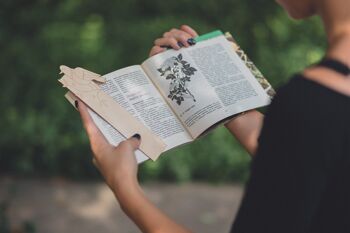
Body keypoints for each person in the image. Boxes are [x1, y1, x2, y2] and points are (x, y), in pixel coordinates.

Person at [75, 0, 350, 232]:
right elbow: (313, 157)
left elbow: (312, 134)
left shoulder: (312, 104)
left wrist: (124, 189)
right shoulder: (323, 107)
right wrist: (205, 86)